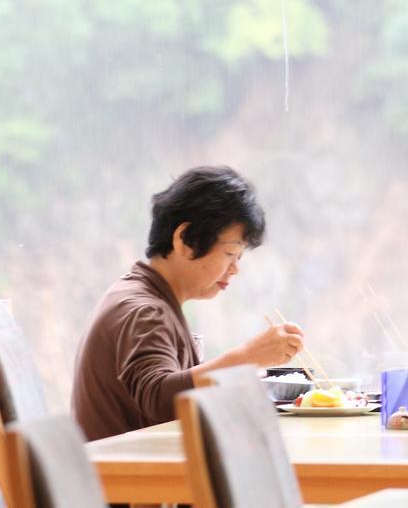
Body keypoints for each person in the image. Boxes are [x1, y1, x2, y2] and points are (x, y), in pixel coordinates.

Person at [72, 165, 304, 441]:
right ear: (185, 239)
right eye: (230, 253)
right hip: (128, 476)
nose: (234, 269)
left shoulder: (143, 296)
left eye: (239, 258)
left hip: (132, 470)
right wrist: (247, 357)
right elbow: (158, 398)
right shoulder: (144, 310)